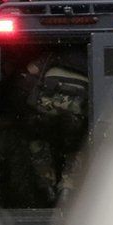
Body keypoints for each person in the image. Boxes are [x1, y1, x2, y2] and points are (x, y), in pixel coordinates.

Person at [24, 57, 89, 204]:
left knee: (38, 140)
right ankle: (67, 189)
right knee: (77, 145)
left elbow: (31, 69)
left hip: (50, 92)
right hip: (80, 94)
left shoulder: (51, 56)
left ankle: (47, 186)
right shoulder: (87, 55)